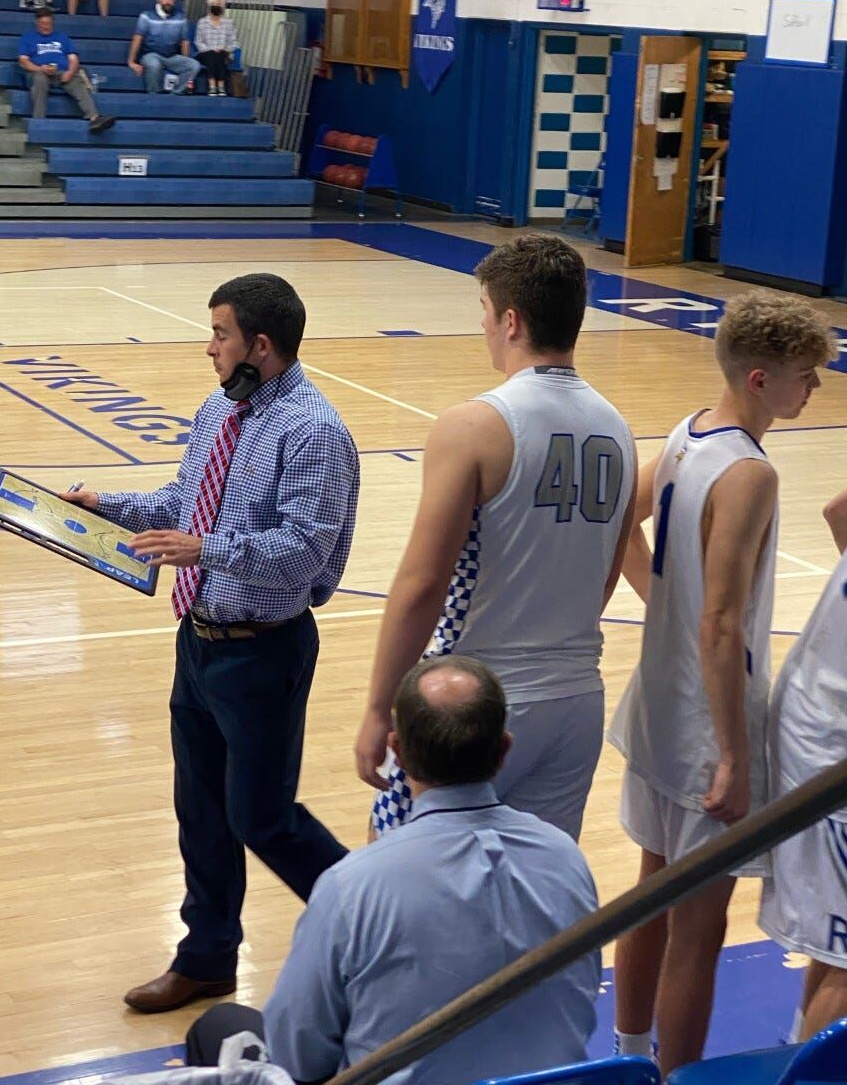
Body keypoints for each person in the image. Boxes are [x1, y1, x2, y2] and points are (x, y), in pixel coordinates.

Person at [63, 273, 360, 1014]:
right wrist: (108, 506)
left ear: (261, 345)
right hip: (197, 642)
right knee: (199, 809)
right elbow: (182, 503)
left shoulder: (314, 431)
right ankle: (206, 959)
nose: (210, 348)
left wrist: (206, 552)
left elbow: (303, 551)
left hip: (264, 651)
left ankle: (377, 927)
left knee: (263, 816)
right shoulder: (219, 409)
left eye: (221, 334)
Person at [607, 291, 835, 1076]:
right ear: (763, 378)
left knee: (648, 893)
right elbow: (722, 627)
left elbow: (622, 524)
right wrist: (737, 757)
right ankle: (674, 1077)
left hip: (655, 710)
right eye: (809, 375)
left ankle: (630, 1056)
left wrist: (659, 601)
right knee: (697, 932)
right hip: (706, 726)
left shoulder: (683, 433)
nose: (818, 387)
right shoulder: (749, 473)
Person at [186, 657, 600, 1085]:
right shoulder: (565, 855)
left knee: (217, 1028)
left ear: (397, 751)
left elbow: (297, 1056)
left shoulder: (352, 884)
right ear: (505, 748)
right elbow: (580, 1010)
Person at [355, 233, 636, 842]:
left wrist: (380, 706)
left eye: (484, 312)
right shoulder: (619, 431)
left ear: (511, 320)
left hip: (478, 702)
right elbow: (607, 575)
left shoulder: (476, 424)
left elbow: (423, 582)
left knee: (402, 876)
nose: (481, 327)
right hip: (576, 700)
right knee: (534, 899)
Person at [759, 486, 847, 1043]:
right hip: (832, 748)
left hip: (810, 712)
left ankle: (797, 1045)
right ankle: (809, 1070)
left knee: (837, 935)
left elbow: (837, 508)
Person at [17, 8, 115, 132]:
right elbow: (23, 61)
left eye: (49, 24)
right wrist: (39, 68)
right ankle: (38, 120)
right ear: (37, 23)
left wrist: (70, 72)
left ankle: (94, 118)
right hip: (40, 71)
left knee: (76, 82)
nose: (46, 27)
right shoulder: (28, 37)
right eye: (43, 24)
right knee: (39, 79)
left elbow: (73, 59)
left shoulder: (62, 36)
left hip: (61, 71)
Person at [128, 0, 199, 94]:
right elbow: (137, 38)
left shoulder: (181, 18)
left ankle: (176, 94)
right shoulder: (146, 16)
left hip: (172, 56)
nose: (168, 1)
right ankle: (154, 96)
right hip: (150, 55)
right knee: (154, 65)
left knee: (194, 65)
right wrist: (131, 61)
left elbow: (185, 41)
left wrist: (184, 60)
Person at [194, 0, 238, 96]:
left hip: (223, 52)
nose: (217, 6)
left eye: (219, 4)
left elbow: (233, 41)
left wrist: (225, 49)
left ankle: (216, 86)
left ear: (222, 6)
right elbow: (198, 41)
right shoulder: (202, 22)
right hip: (205, 53)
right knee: (212, 54)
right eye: (214, 4)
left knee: (219, 55)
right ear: (210, 5)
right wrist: (211, 49)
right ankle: (217, 86)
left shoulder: (229, 22)